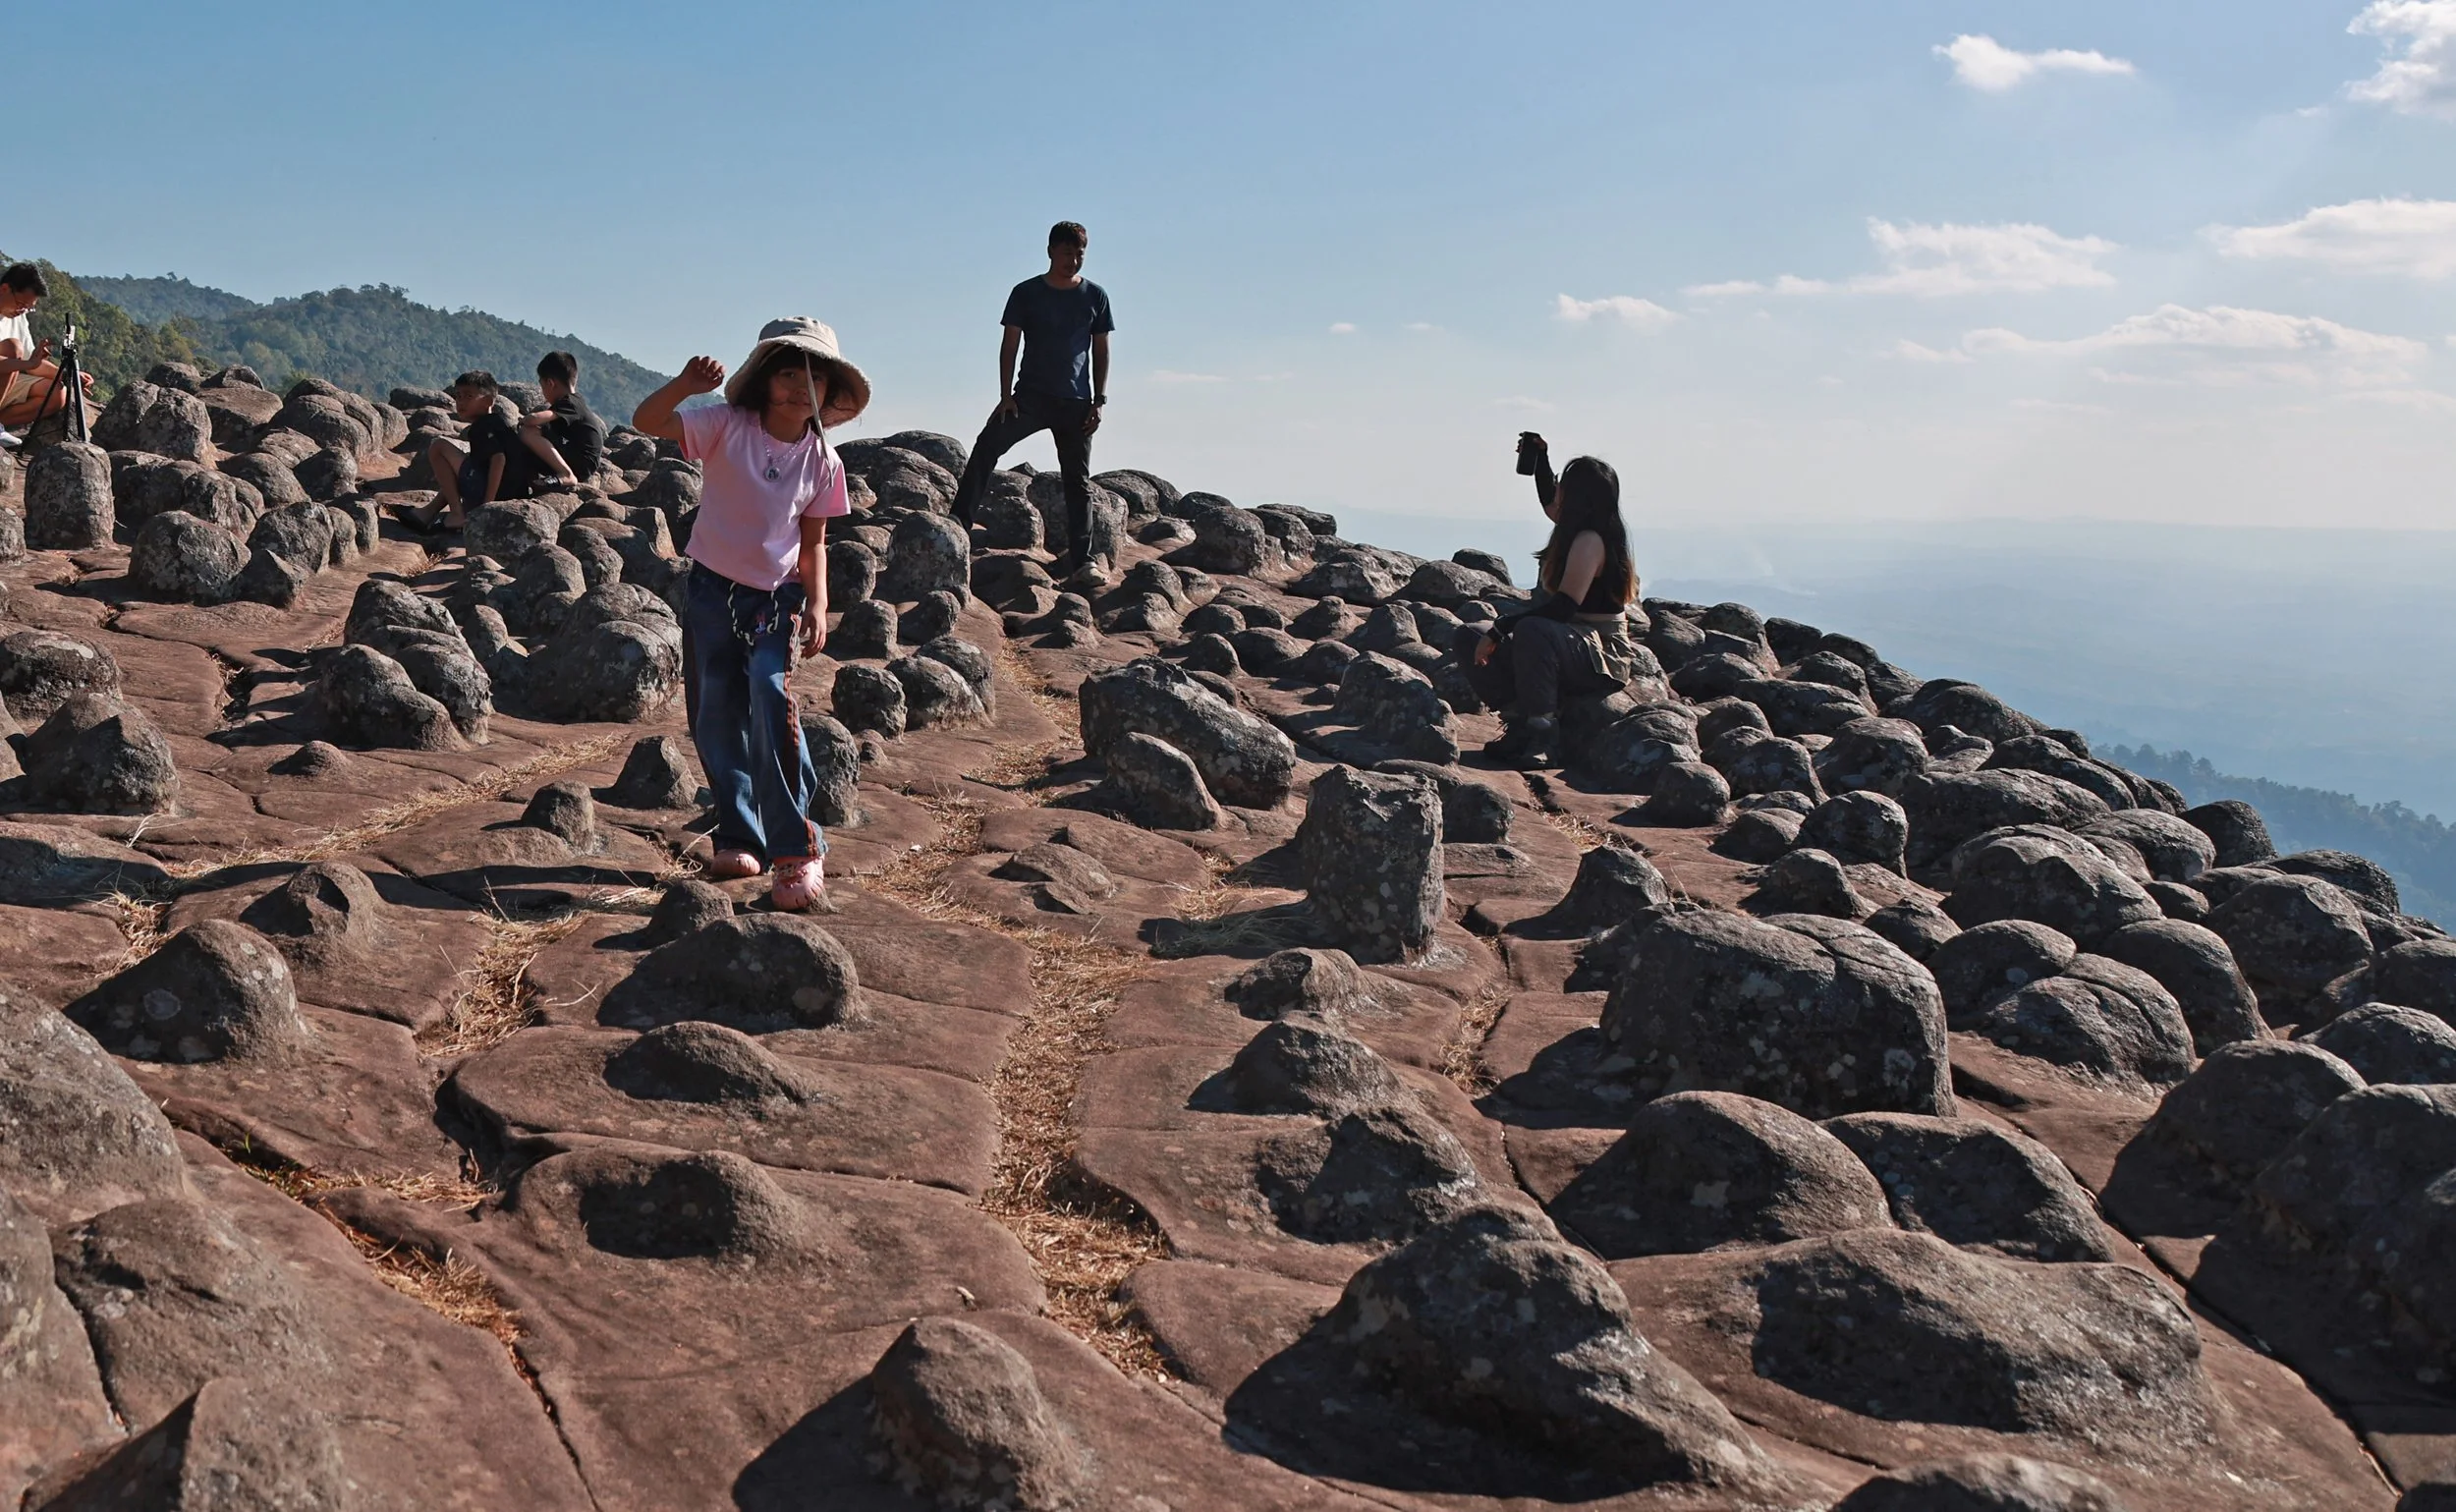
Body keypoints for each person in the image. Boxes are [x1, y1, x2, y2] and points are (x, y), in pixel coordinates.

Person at [632, 317, 866, 911]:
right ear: (763, 379)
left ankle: (797, 848)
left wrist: (817, 603)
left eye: (813, 379)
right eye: (787, 373)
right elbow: (647, 422)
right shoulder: (725, 427)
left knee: (768, 695)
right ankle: (740, 834)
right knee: (715, 711)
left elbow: (813, 541)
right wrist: (685, 385)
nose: (797, 388)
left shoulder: (822, 461)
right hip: (712, 589)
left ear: (829, 394)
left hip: (775, 600)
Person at [1453, 433, 1642, 768]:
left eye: (1564, 485)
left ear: (1579, 496)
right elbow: (1548, 502)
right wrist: (1541, 459)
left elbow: (1563, 608)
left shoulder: (1589, 541)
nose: (1559, 491)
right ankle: (1518, 722)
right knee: (1468, 634)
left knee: (1532, 629)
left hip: (1601, 654)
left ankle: (1543, 735)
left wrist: (1500, 629)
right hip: (1567, 643)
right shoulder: (1576, 526)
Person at [948, 220, 1114, 579]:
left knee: (1077, 481)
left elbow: (1101, 351)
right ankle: (958, 524)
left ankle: (1083, 560)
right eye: (1067, 253)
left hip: (1076, 402)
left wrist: (1098, 401)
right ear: (1051, 251)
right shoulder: (1026, 293)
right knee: (986, 445)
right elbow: (1010, 346)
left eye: (1080, 254)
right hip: (1030, 397)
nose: (1073, 260)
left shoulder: (1095, 296)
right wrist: (1005, 395)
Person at [399, 371, 531, 531]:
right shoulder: (497, 424)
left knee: (438, 446)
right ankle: (425, 514)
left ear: (488, 401)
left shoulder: (482, 427)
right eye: (458, 396)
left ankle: (456, 515)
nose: (461, 401)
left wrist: (487, 506)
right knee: (466, 463)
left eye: (469, 396)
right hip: (512, 494)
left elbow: (499, 459)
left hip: (497, 496)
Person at [0, 262, 94, 440]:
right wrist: (27, 363)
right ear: (4, 289)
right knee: (13, 347)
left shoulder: (18, 318)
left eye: (28, 307)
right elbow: (25, 362)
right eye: (20, 304)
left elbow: (32, 364)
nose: (22, 311)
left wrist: (70, 375)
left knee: (56, 393)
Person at [517, 350, 607, 489]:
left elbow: (536, 419)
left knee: (527, 432)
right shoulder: (574, 401)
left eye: (542, 386)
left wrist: (524, 420)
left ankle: (566, 474)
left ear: (550, 383)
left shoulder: (570, 402)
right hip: (577, 456)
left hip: (583, 461)